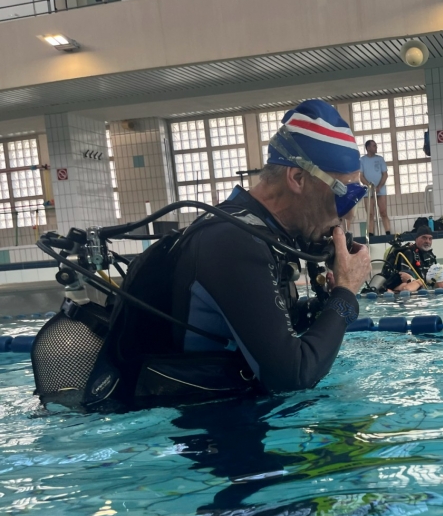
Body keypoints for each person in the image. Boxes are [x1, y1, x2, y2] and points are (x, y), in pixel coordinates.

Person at [77, 100, 372, 407]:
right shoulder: (234, 242)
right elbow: (293, 376)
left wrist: (325, 304)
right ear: (298, 178)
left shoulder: (252, 231)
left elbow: (261, 326)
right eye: (346, 195)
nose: (349, 215)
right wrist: (345, 294)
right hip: (193, 427)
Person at [382, 226, 443, 292]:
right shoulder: (408, 253)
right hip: (410, 288)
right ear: (416, 239)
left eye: (430, 239)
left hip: (423, 287)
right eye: (424, 238)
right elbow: (404, 277)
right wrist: (416, 282)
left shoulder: (430, 255)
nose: (427, 241)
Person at [359, 139, 392, 235]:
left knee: (383, 212)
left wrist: (379, 187)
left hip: (380, 190)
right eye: (374, 146)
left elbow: (385, 174)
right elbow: (361, 176)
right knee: (370, 214)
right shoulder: (362, 160)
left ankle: (388, 232)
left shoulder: (380, 159)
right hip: (368, 191)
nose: (376, 147)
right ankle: (371, 234)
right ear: (368, 148)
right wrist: (369, 186)